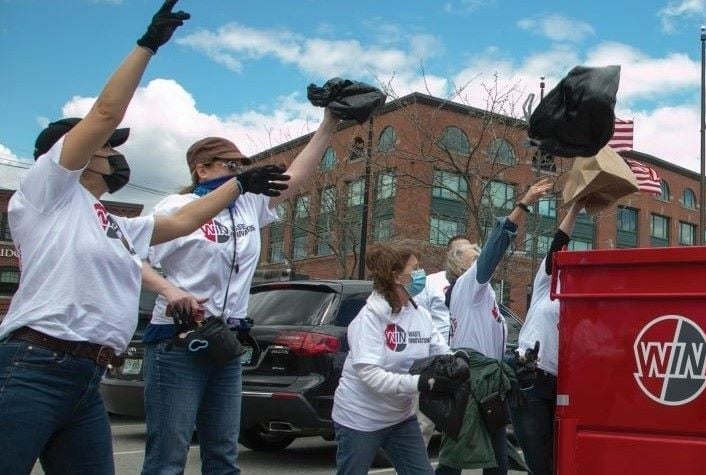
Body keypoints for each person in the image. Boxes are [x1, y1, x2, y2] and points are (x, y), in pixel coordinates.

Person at [0, 3, 289, 472]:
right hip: (35, 365)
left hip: (86, 377)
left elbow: (178, 223)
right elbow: (104, 112)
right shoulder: (45, 193)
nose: (115, 154)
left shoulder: (105, 220)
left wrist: (241, 184)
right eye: (109, 147)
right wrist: (147, 45)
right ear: (73, 152)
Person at [138, 105, 340, 475]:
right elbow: (128, 256)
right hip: (177, 339)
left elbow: (294, 179)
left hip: (226, 340)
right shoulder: (179, 206)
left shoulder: (247, 204)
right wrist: (169, 291)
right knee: (168, 455)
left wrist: (328, 124)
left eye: (241, 165)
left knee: (223, 453)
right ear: (202, 167)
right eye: (230, 165)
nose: (238, 172)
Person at [437, 178, 552, 475]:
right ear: (460, 266)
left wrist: (516, 360)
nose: (481, 260)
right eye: (473, 257)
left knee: (494, 456)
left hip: (488, 384)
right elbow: (495, 245)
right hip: (473, 383)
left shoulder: (483, 293)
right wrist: (523, 203)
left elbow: (490, 342)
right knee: (456, 457)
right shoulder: (467, 285)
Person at [332, 243, 452, 475]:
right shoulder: (369, 319)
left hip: (400, 417)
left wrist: (458, 362)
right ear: (397, 276)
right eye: (415, 268)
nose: (421, 274)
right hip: (360, 418)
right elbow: (371, 375)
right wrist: (419, 383)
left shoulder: (420, 315)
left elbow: (442, 352)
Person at [512, 201, 584, 475]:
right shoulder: (547, 285)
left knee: (561, 458)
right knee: (539, 460)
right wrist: (575, 210)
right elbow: (558, 243)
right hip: (530, 377)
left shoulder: (581, 300)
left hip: (562, 383)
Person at [415, 234, 468, 440]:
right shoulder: (431, 283)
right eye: (459, 252)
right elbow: (419, 318)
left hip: (463, 363)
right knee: (424, 424)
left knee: (459, 424)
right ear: (449, 256)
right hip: (438, 363)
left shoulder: (477, 285)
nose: (464, 257)